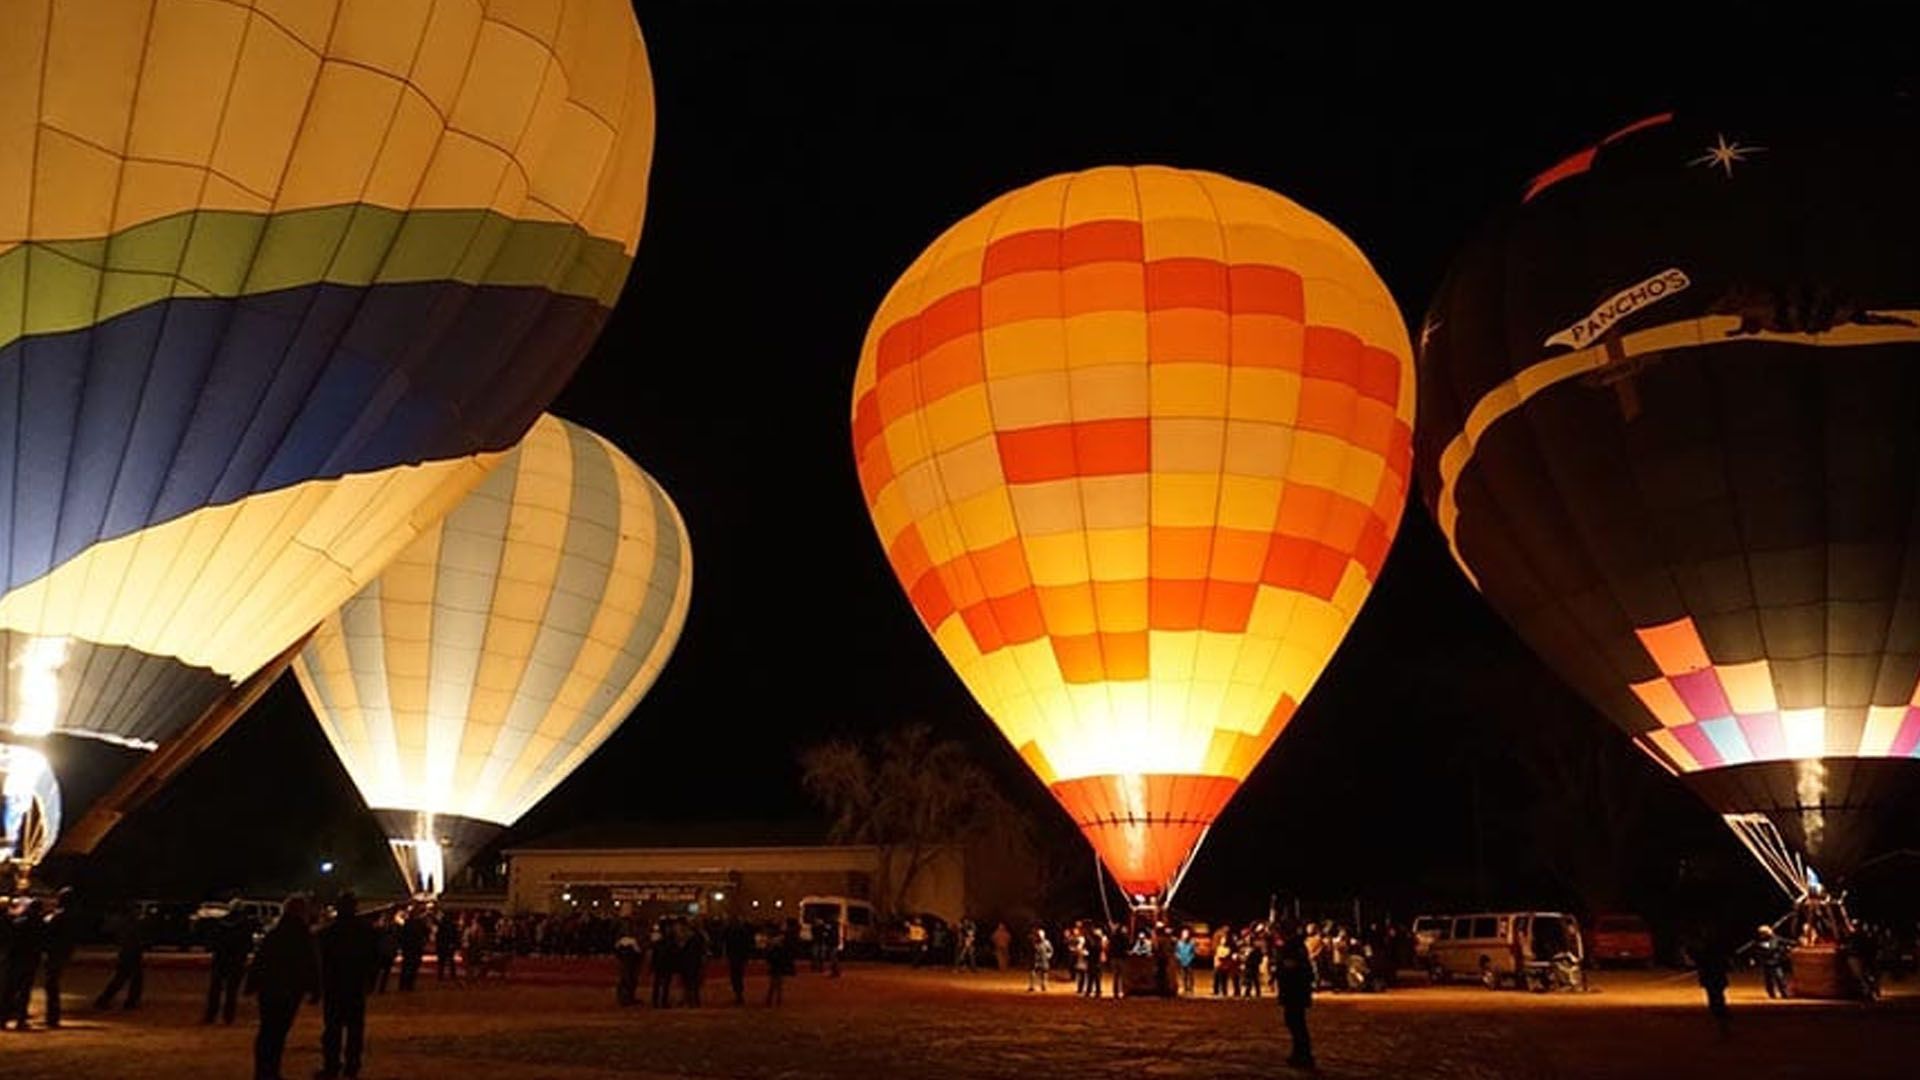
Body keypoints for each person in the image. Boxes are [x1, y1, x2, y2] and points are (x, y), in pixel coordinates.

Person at [247, 897, 318, 1080]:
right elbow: (310, 963)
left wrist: (252, 983)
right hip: (290, 990)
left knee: (267, 1030)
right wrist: (315, 988)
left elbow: (260, 960)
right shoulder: (303, 936)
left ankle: (263, 1071)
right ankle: (271, 1071)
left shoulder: (274, 934)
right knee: (279, 1032)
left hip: (269, 989)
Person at [316, 891, 380, 1080]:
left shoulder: (328, 932)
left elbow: (322, 961)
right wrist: (370, 981)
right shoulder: (366, 931)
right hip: (356, 986)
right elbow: (373, 959)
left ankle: (331, 1066)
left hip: (334, 986)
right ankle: (352, 1067)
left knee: (332, 1029)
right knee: (355, 1029)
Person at [205, 899, 255, 1024]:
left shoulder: (220, 922)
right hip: (236, 961)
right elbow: (249, 944)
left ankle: (211, 1016)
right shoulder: (245, 924)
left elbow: (213, 942)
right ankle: (228, 1017)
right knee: (232, 991)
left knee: (215, 989)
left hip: (221, 959)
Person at [1274, 921, 1316, 1070]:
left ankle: (1303, 1055)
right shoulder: (1296, 946)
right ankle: (1299, 1053)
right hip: (1296, 990)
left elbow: (1291, 969)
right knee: (1295, 1022)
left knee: (1296, 1023)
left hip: (1294, 991)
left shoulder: (1292, 948)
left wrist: (1279, 971)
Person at [92, 901, 146, 1010]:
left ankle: (109, 1000)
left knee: (125, 978)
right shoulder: (130, 922)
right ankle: (128, 1001)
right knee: (130, 978)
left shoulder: (125, 921)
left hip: (128, 951)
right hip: (130, 951)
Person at [5, 898, 46, 1029]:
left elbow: (11, 941)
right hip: (31, 960)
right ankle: (21, 1019)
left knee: (9, 990)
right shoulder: (41, 924)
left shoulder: (19, 922)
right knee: (24, 991)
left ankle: (2, 1019)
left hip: (16, 960)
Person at [39, 889, 73, 1029]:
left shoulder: (59, 916)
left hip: (55, 952)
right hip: (61, 952)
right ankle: (52, 1016)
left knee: (51, 984)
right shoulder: (70, 915)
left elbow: (48, 932)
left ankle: (52, 1017)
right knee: (52, 984)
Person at [1692, 932, 1732, 1038]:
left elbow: (1698, 960)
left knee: (1714, 996)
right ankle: (1720, 1012)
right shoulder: (1718, 954)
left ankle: (1719, 1013)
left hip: (1712, 978)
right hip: (1716, 978)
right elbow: (1728, 966)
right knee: (1718, 996)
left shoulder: (1706, 953)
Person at [1752, 925, 1790, 999]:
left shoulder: (1776, 939)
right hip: (1766, 963)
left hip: (1776, 962)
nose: (1762, 935)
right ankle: (1771, 994)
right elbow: (1756, 953)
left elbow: (1788, 942)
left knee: (1780, 978)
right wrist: (1755, 959)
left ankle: (1784, 993)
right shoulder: (1757, 942)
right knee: (1769, 980)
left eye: (1764, 933)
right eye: (1761, 933)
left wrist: (1788, 947)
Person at [723, 917, 754, 1006]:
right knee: (738, 976)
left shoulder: (731, 931)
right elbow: (747, 944)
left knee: (735, 976)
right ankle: (738, 993)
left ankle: (738, 993)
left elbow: (727, 944)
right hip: (739, 956)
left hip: (735, 956)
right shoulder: (742, 931)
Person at [765, 921, 797, 1006]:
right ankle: (777, 998)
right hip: (779, 961)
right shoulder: (783, 938)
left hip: (776, 961)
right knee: (778, 981)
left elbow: (769, 951)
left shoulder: (775, 939)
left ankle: (772, 997)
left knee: (775, 980)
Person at [396, 907, 428, 991]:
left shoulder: (407, 924)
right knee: (413, 967)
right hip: (416, 948)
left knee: (406, 967)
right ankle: (409, 985)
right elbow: (425, 934)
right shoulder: (420, 924)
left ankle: (403, 985)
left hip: (408, 948)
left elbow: (401, 936)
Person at [650, 920, 679, 1008]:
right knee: (660, 983)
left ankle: (661, 1001)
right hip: (663, 962)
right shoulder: (666, 939)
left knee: (663, 983)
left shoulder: (666, 939)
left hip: (665, 962)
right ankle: (659, 1001)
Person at [679, 921, 708, 1006]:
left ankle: (691, 1000)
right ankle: (694, 1000)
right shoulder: (699, 937)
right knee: (694, 983)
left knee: (690, 983)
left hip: (690, 962)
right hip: (694, 962)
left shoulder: (690, 939)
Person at [614, 924, 643, 1006]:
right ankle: (625, 998)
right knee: (627, 979)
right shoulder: (627, 941)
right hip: (628, 962)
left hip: (628, 962)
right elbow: (638, 951)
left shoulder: (622, 941)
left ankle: (627, 997)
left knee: (628, 979)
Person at [434, 909, 460, 981]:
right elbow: (454, 936)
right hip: (447, 945)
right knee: (450, 961)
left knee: (442, 962)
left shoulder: (442, 926)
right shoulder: (451, 926)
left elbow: (438, 936)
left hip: (443, 945)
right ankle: (451, 975)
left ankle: (441, 975)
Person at [1174, 927, 1198, 997]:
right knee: (1183, 975)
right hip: (1182, 961)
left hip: (1189, 961)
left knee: (1190, 975)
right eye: (1184, 934)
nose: (1185, 935)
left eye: (1187, 934)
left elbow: (1193, 952)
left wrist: (1190, 958)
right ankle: (1185, 987)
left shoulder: (1191, 943)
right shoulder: (1179, 943)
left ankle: (1191, 988)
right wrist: (1179, 957)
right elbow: (1176, 951)